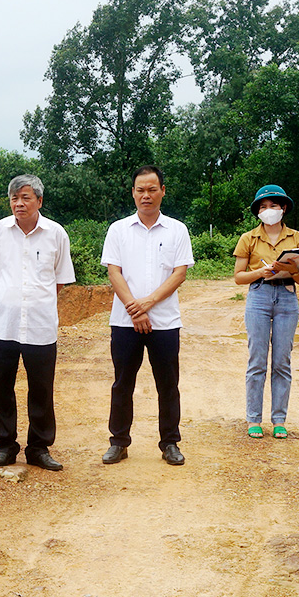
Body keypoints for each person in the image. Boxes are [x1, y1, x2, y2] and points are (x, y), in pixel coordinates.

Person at [100, 166, 194, 466]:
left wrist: (148, 304)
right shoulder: (118, 229)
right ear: (133, 193)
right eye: (140, 189)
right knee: (122, 383)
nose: (146, 195)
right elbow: (114, 271)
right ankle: (119, 442)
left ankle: (170, 443)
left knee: (168, 384)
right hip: (124, 322)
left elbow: (180, 273)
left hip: (165, 322)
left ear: (163, 191)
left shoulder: (177, 230)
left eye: (152, 189)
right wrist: (133, 309)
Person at [0, 175, 76, 471]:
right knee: (0, 386)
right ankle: (5, 445)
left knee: (41, 388)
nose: (19, 204)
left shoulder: (56, 234)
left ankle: (39, 447)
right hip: (3, 325)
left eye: (25, 198)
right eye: (14, 198)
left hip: (40, 325)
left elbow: (60, 280)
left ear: (39, 201)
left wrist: (35, 300)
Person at [233, 185, 299, 439]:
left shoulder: (298, 238)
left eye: (273, 206)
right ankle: (253, 419)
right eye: (263, 207)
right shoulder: (248, 238)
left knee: (282, 361)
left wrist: (291, 267)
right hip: (259, 295)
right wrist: (260, 272)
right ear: (257, 211)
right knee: (257, 360)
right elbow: (238, 277)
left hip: (287, 297)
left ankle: (279, 419)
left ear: (283, 208)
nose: (269, 211)